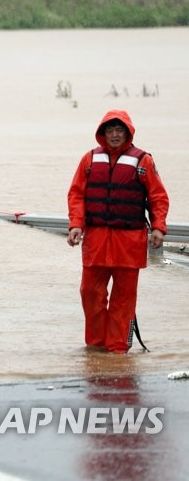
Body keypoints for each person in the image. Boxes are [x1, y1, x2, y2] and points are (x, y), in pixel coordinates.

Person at [66, 110, 169, 354]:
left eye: (119, 130)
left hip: (129, 243)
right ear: (103, 133)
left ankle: (117, 350)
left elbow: (158, 197)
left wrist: (158, 227)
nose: (114, 135)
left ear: (128, 132)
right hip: (96, 241)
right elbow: (76, 194)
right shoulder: (89, 160)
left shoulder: (143, 161)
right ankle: (96, 347)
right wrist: (75, 225)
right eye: (110, 130)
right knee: (89, 293)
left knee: (123, 300)